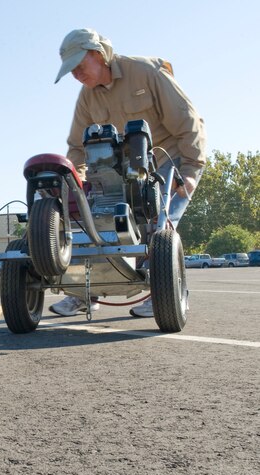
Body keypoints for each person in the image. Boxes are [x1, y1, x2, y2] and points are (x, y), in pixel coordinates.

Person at [50, 28, 206, 318]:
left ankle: (163, 295)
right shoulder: (87, 98)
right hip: (118, 170)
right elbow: (76, 147)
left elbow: (188, 120)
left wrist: (191, 169)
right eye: (71, 71)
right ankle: (85, 293)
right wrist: (77, 184)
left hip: (166, 158)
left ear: (98, 55)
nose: (77, 75)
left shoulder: (146, 72)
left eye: (79, 67)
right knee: (94, 223)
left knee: (157, 225)